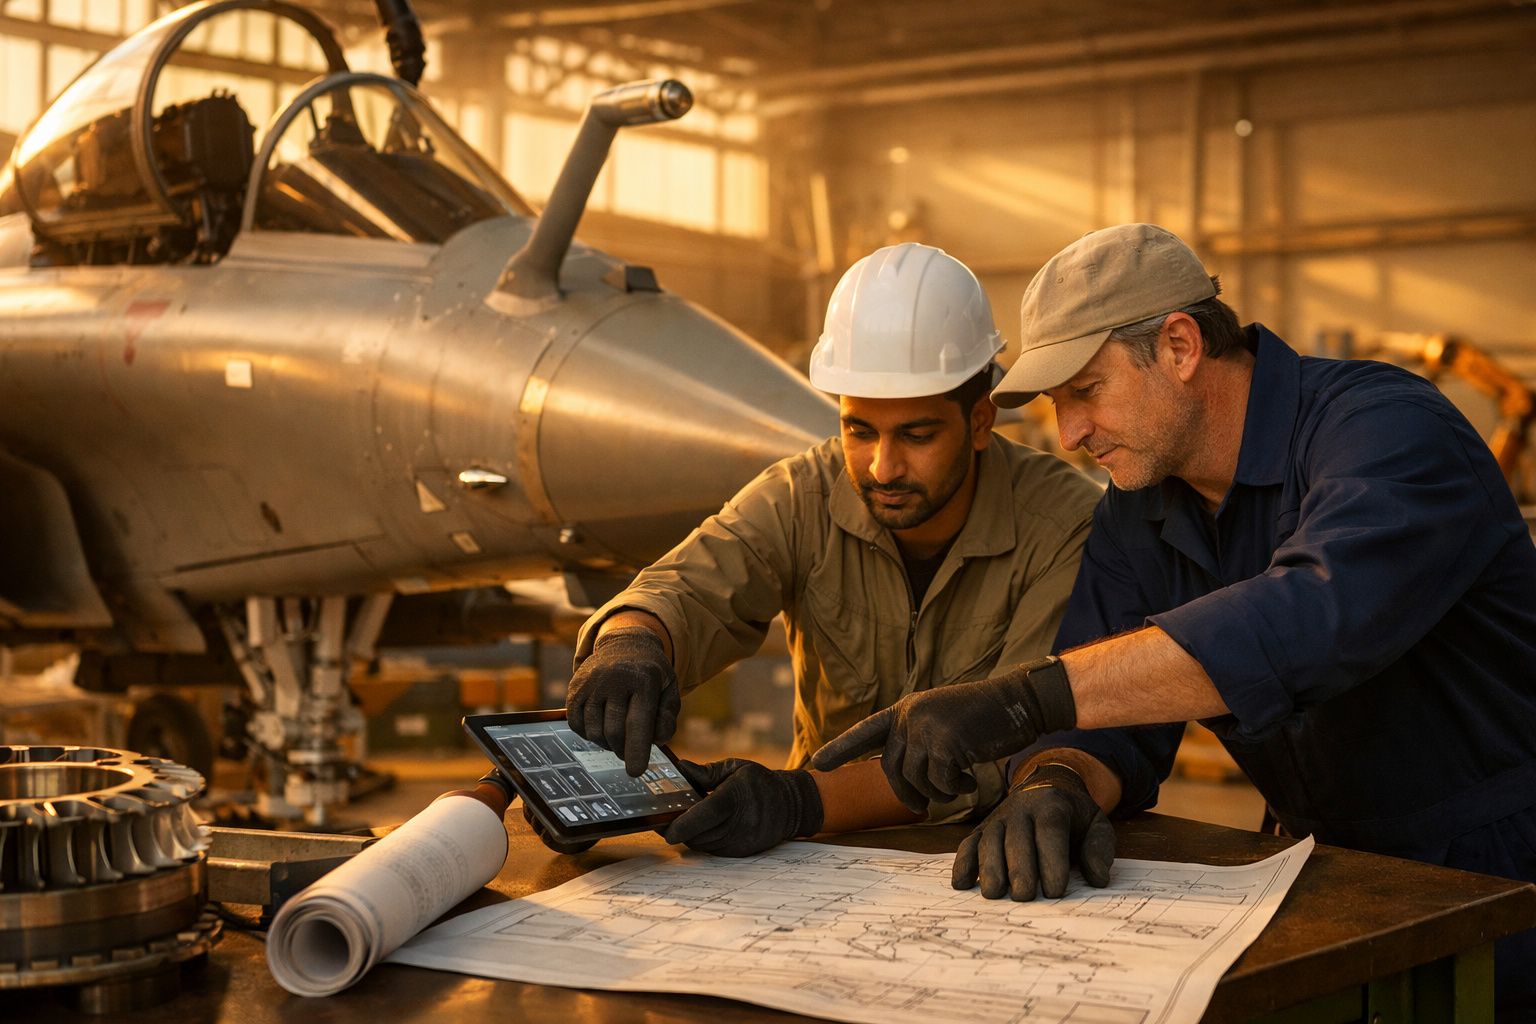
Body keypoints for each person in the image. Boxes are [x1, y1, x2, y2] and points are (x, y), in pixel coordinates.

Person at [812, 223, 1536, 1014]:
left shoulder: (1386, 431)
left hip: (1500, 873)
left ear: (1182, 347)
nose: (1071, 435)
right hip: (1316, 874)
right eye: (1058, 405)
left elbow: (1308, 618)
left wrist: (1021, 699)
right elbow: (1105, 716)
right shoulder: (1141, 509)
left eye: (1085, 393)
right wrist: (1055, 779)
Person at [552, 242, 1103, 858]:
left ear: (980, 422)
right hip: (813, 855)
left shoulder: (1064, 523)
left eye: (916, 436)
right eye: (858, 430)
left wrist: (796, 802)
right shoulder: (802, 494)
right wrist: (632, 641)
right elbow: (691, 587)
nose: (882, 467)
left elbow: (1014, 744)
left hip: (990, 855)